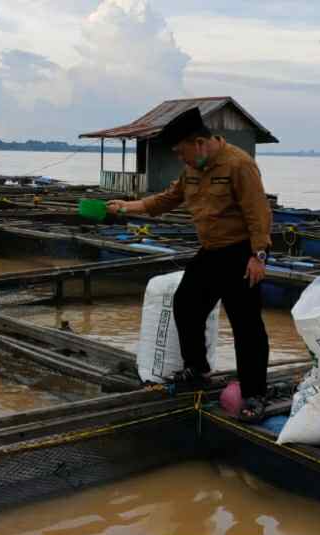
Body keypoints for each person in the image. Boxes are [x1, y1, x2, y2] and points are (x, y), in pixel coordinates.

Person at [107, 108, 272, 421]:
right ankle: (196, 369)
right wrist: (127, 206)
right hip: (211, 251)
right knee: (186, 304)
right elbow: (167, 199)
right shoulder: (193, 169)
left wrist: (259, 256)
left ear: (199, 143)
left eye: (181, 151)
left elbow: (259, 213)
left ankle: (255, 393)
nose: (180, 158)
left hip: (241, 253)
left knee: (246, 325)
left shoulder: (239, 165)